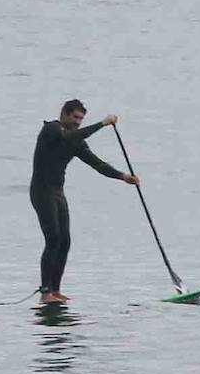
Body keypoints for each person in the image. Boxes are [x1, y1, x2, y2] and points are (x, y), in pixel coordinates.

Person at [29, 99, 140, 304]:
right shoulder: (52, 129)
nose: (78, 122)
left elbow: (97, 164)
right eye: (75, 117)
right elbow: (70, 135)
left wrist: (123, 177)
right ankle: (45, 293)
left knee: (65, 240)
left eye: (81, 119)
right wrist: (102, 124)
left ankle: (55, 290)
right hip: (41, 191)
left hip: (58, 192)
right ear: (64, 113)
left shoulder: (76, 141)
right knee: (53, 238)